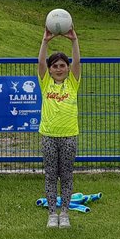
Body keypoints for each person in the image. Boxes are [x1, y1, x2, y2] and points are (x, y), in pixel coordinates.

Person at [37, 26, 81, 228]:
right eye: (55, 66)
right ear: (50, 69)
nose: (59, 69)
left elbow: (77, 62)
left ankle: (64, 213)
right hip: (48, 135)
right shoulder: (45, 83)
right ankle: (52, 213)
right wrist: (45, 41)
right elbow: (40, 63)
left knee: (66, 175)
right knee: (50, 175)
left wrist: (74, 40)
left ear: (68, 68)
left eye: (63, 65)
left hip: (69, 135)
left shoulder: (73, 83)